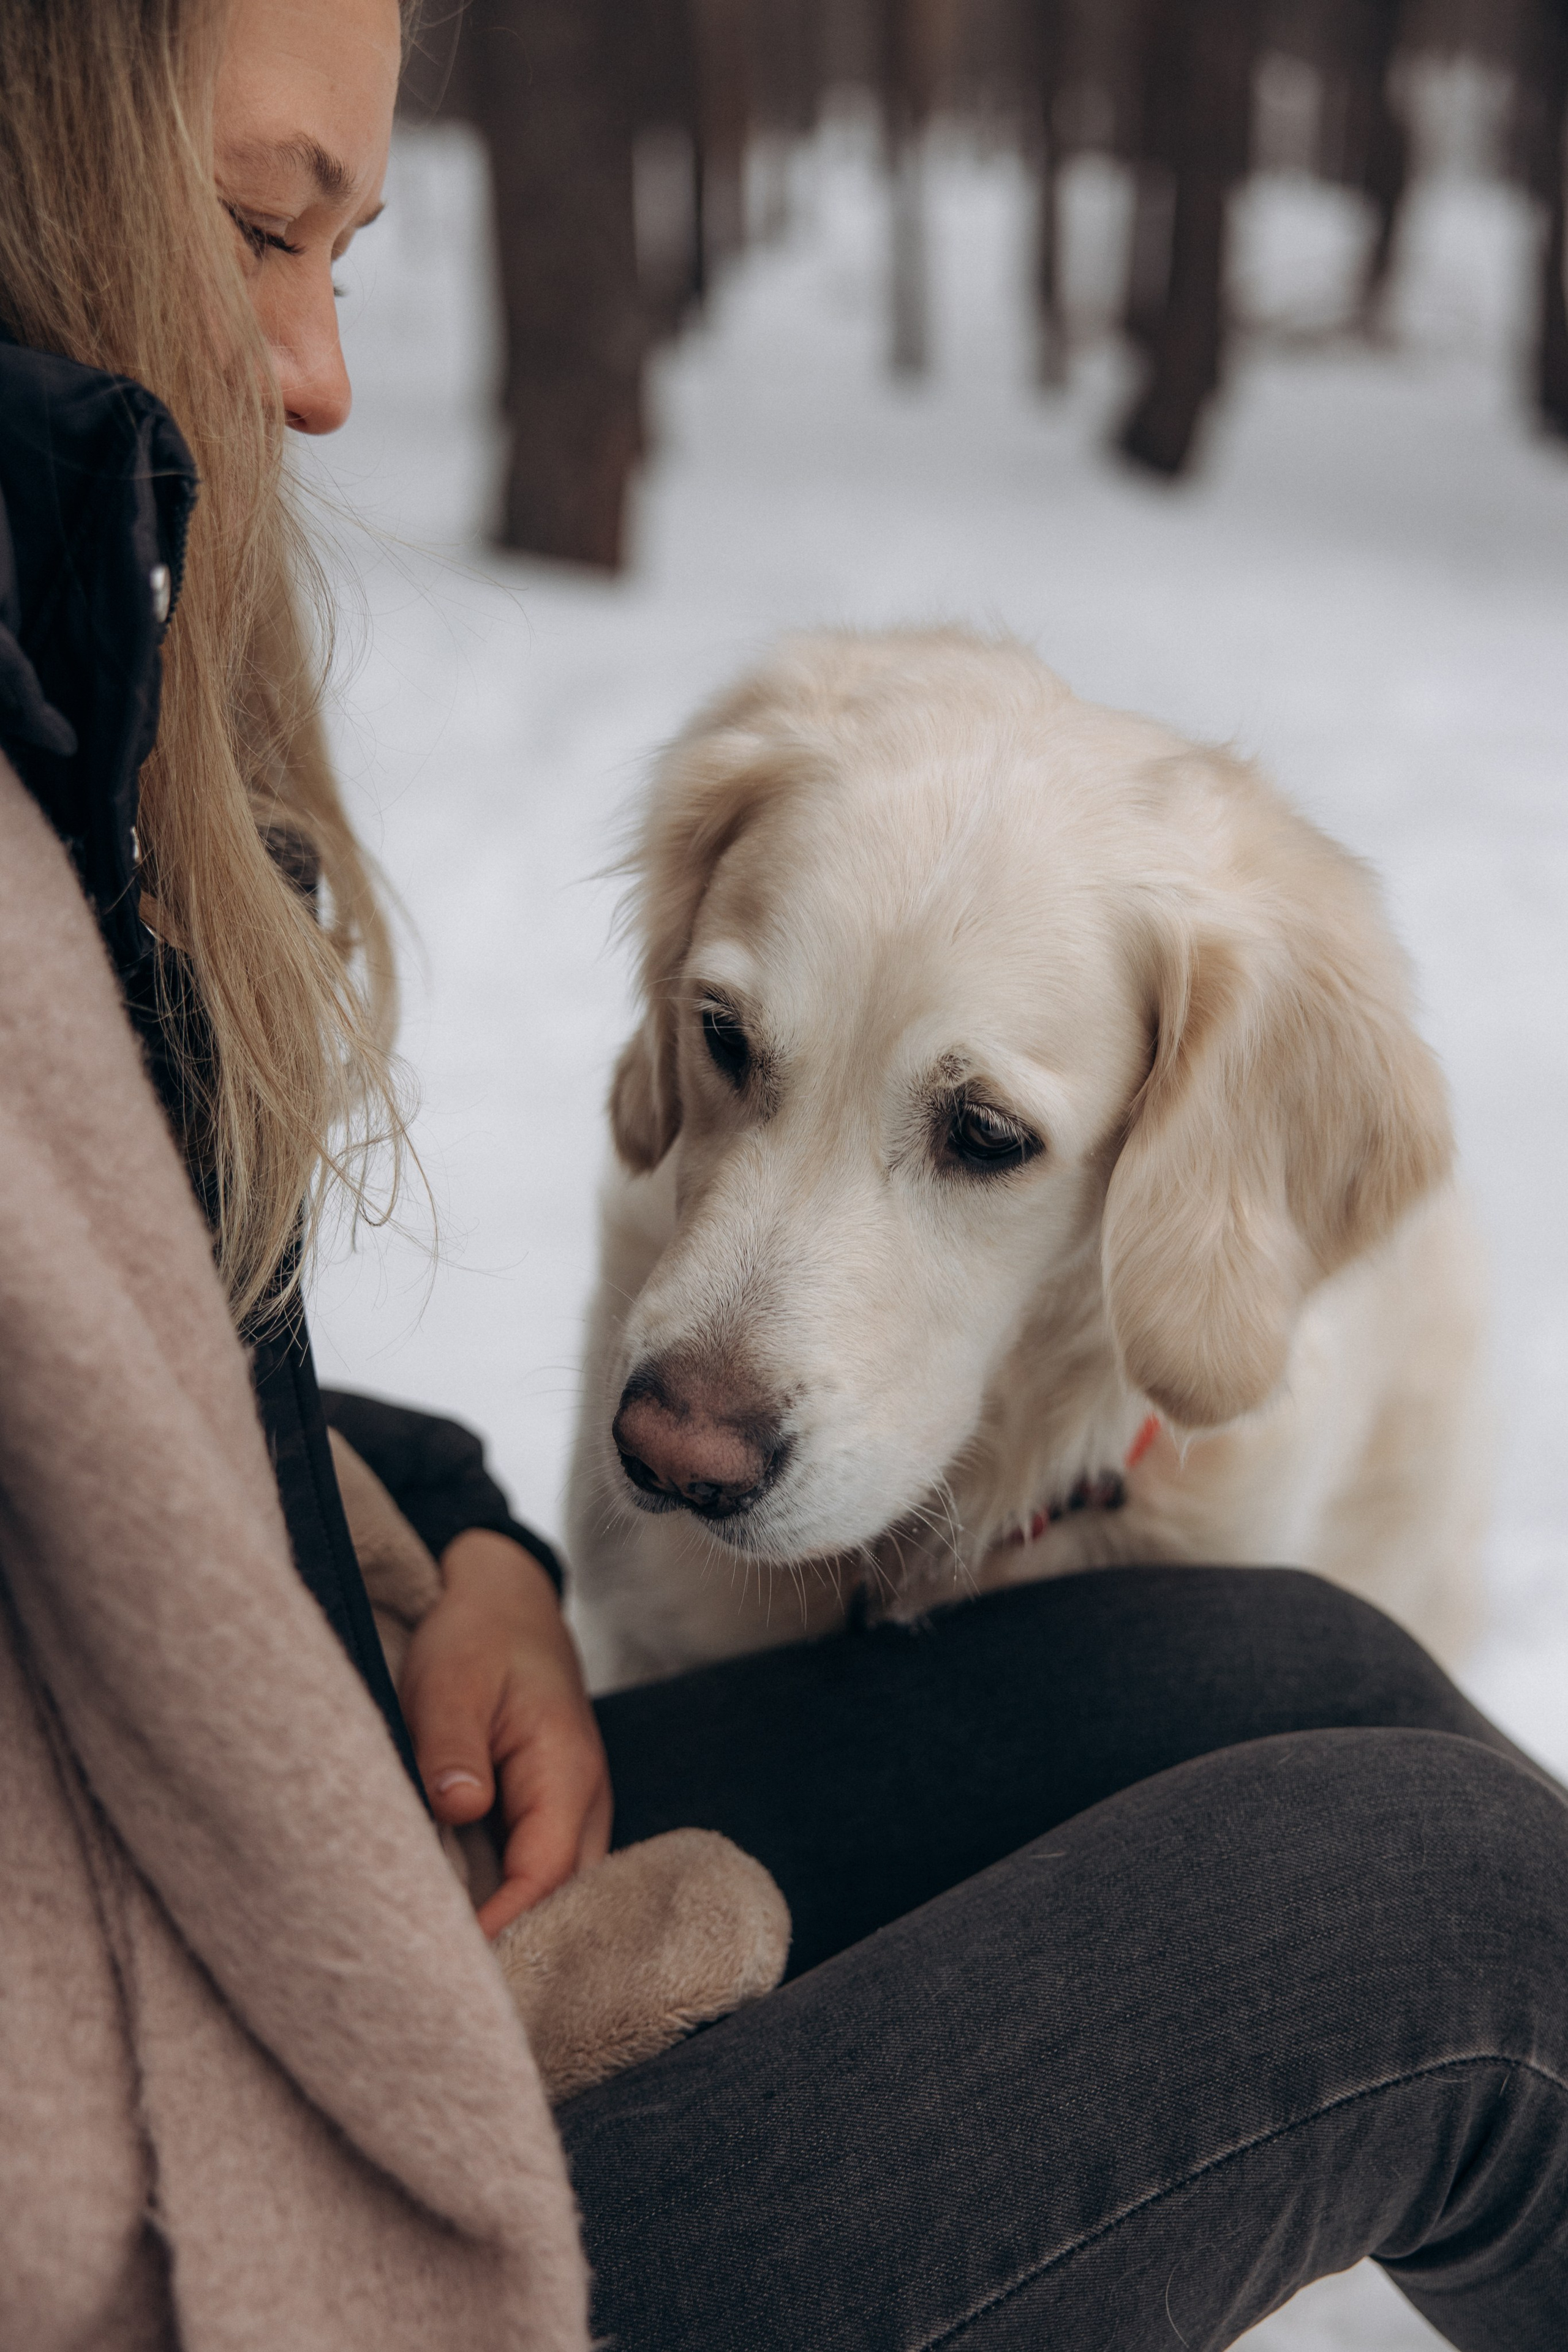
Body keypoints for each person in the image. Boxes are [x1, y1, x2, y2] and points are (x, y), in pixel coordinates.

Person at [0, 4, 1564, 2348]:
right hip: (236, 2214)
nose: (319, 377)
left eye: (350, 250)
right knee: (1476, 1926)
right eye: (254, 225)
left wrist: (457, 1546)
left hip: (265, 1938)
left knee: (1312, 1668)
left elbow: (92, 1404)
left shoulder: (48, 681)